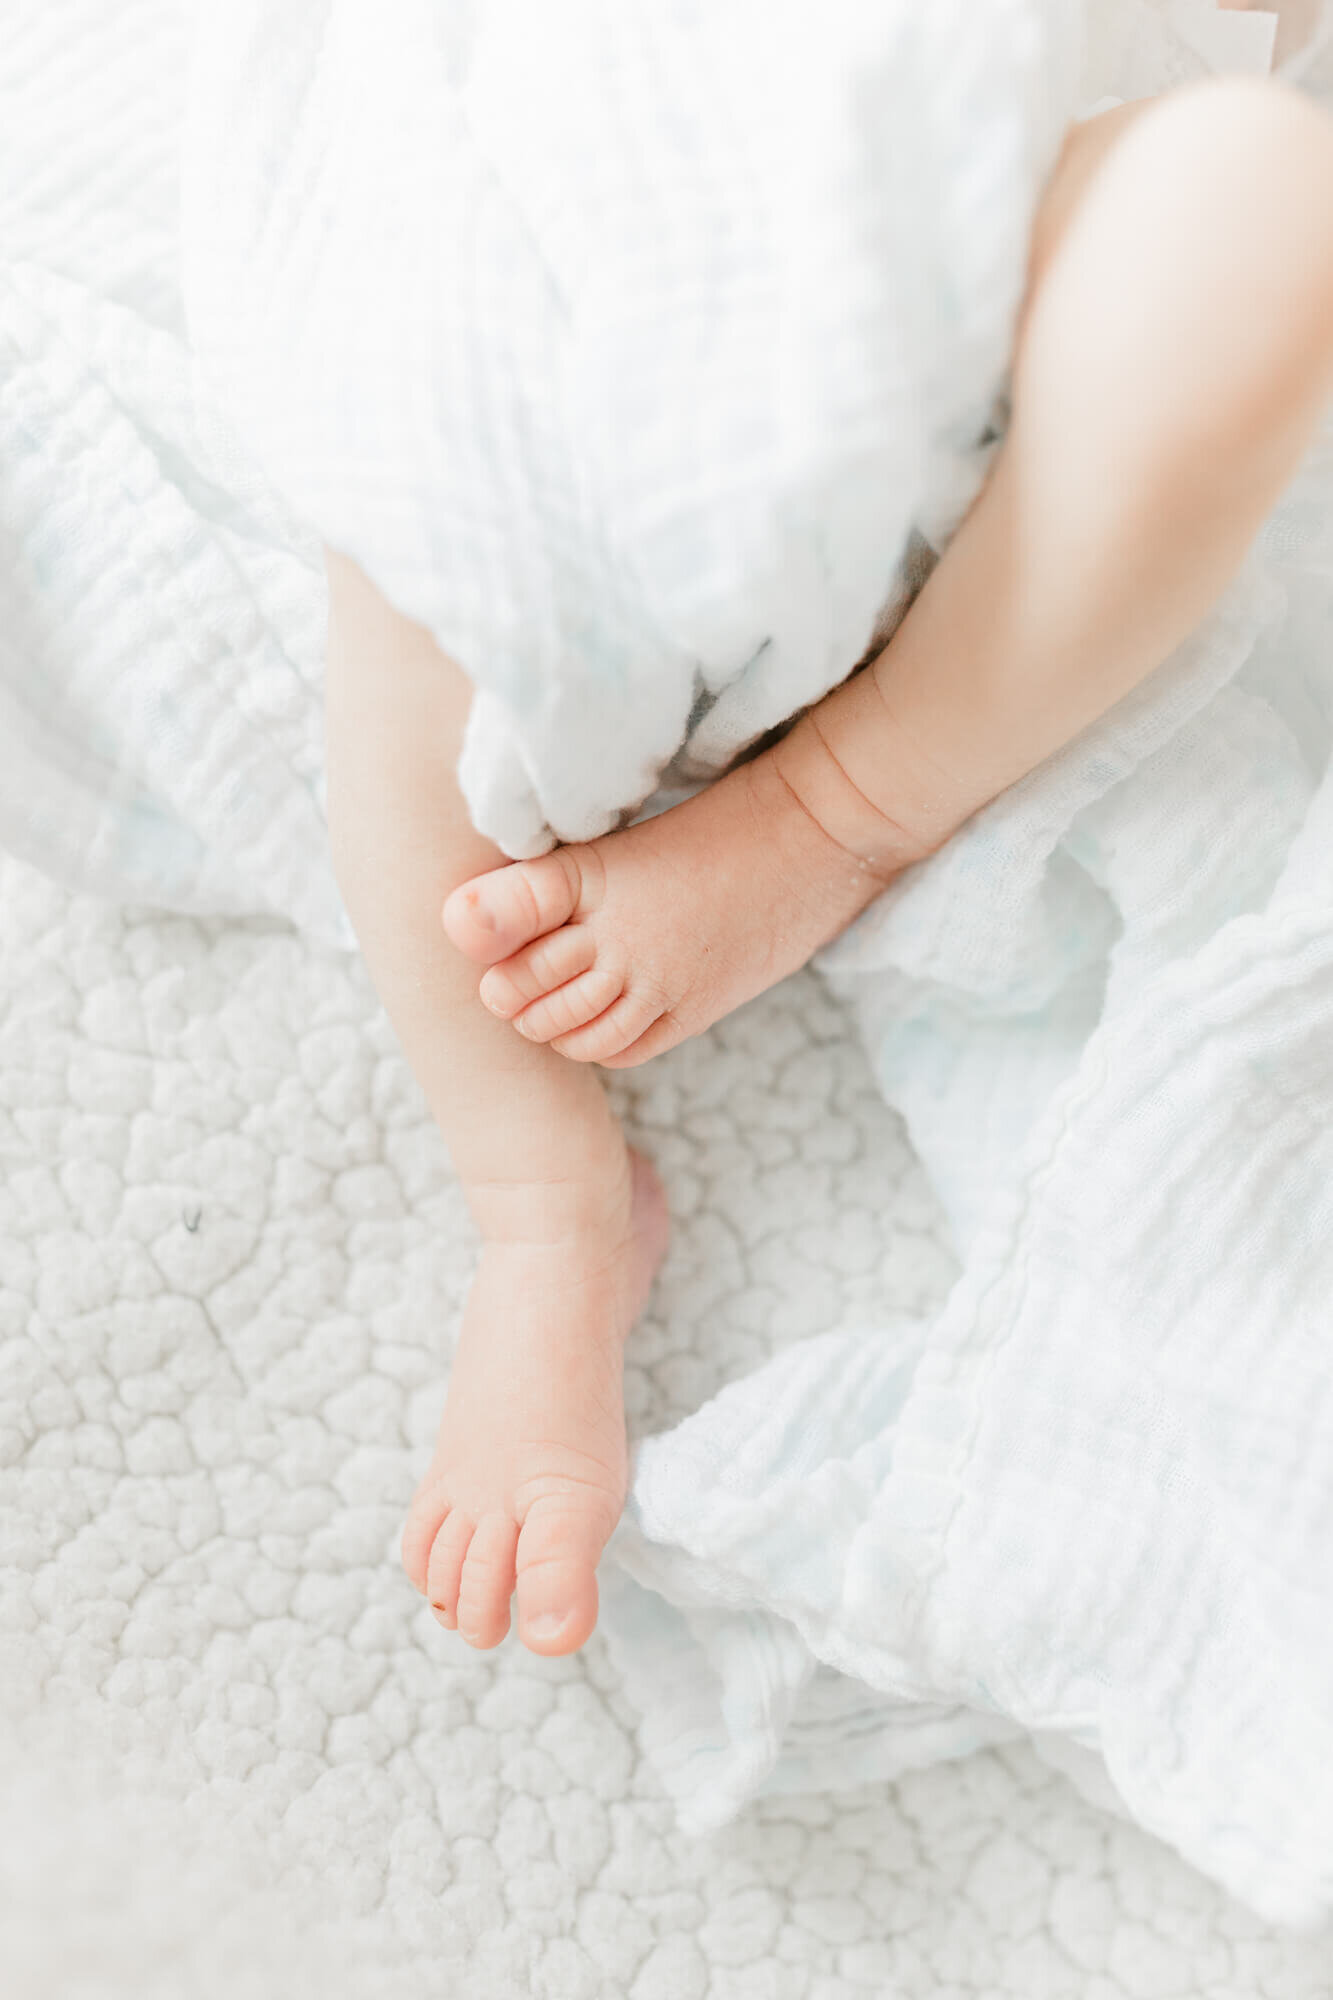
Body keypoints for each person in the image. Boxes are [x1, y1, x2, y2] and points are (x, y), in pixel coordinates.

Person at [322, 70, 1333, 1660]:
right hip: (591, 236)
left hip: (1013, 198)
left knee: (1261, 201)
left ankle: (836, 807)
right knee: (405, 470)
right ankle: (541, 1201)